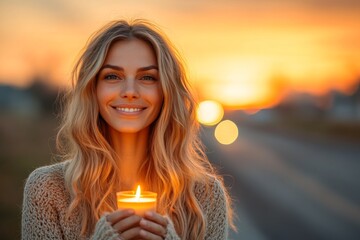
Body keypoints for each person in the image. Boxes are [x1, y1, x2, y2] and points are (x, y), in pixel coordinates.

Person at [22, 19, 234, 240]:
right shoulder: (47, 189)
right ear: (93, 89)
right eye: (112, 76)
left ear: (166, 93)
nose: (130, 91)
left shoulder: (205, 197)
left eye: (148, 77)